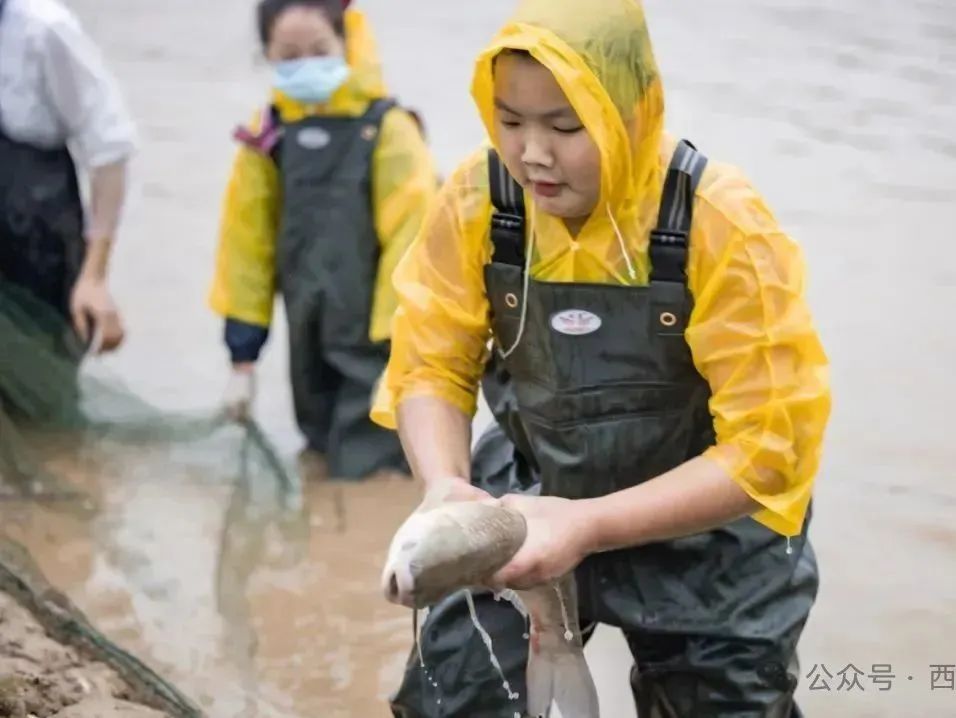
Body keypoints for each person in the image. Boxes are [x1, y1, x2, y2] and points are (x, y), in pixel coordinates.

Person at [371, 0, 832, 715]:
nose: (532, 154)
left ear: (632, 113)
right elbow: (431, 363)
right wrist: (444, 487)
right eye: (510, 120)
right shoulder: (479, 199)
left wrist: (588, 524)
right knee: (455, 692)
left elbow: (769, 449)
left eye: (564, 125)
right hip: (529, 493)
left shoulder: (721, 221)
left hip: (708, 537)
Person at [208, 0, 438, 480]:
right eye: (289, 54)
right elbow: (247, 242)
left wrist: (399, 334)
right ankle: (319, 548)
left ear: (348, 43)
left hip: (378, 339)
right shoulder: (267, 134)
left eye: (320, 50)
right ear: (267, 55)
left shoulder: (389, 129)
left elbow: (414, 231)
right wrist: (242, 353)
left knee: (370, 466)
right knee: (316, 448)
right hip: (306, 325)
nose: (305, 64)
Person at [0, 0, 134, 360]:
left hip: (36, 247)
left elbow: (109, 149)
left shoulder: (44, 29)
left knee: (35, 391)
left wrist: (94, 277)